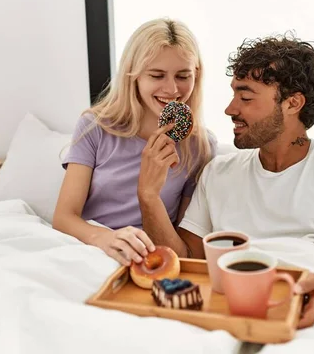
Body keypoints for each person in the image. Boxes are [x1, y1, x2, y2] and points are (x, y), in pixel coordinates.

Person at [141, 33, 314, 328]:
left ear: (293, 103)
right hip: (233, 315)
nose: (230, 109)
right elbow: (184, 264)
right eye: (234, 94)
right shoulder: (218, 173)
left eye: (246, 97)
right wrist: (148, 196)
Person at [53, 18, 215, 267]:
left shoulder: (200, 146)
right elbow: (64, 218)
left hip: (149, 256)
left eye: (183, 76)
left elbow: (181, 246)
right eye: (157, 75)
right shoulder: (95, 126)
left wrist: (149, 193)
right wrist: (105, 238)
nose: (172, 89)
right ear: (134, 75)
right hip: (90, 248)